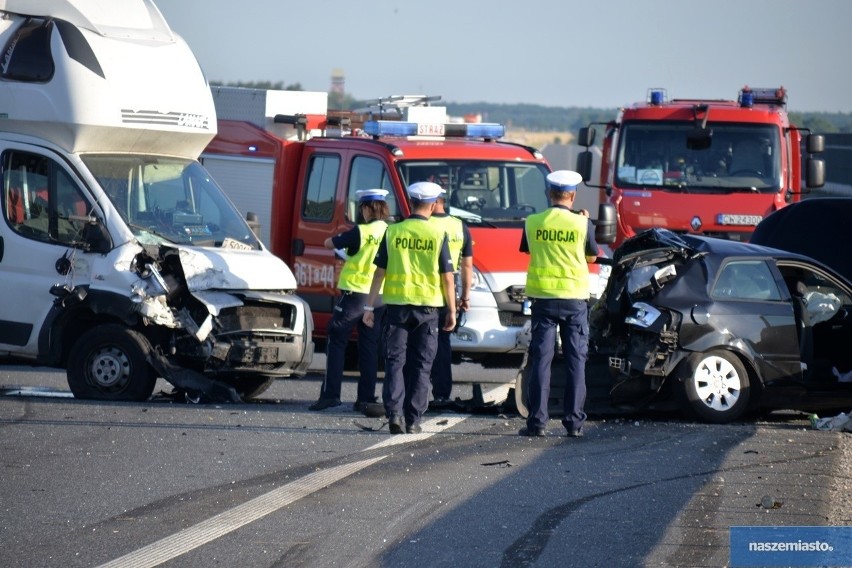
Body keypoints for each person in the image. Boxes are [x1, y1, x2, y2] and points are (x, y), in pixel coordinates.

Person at [362, 181, 456, 435]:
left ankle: (394, 414)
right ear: (434, 204)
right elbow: (448, 277)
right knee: (422, 365)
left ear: (411, 203)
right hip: (427, 310)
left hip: (397, 307)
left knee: (395, 361)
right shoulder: (438, 234)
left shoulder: (392, 232)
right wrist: (453, 310)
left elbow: (379, 272)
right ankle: (413, 420)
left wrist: (369, 306)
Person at [518, 170, 599, 438]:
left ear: (549, 194)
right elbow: (591, 255)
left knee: (541, 360)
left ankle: (537, 423)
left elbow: (529, 250)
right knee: (576, 360)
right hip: (574, 299)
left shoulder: (533, 222)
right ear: (573, 196)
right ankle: (574, 423)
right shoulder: (581, 224)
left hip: (543, 298)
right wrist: (585, 222)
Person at [309, 189, 390, 413]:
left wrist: (344, 250)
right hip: (380, 296)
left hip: (355, 293)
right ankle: (365, 398)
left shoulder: (360, 231)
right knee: (369, 347)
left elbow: (329, 243)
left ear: (365, 208)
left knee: (336, 341)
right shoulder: (390, 231)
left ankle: (331, 394)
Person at [428, 192, 473, 406]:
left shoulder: (422, 225)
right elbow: (466, 265)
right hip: (449, 289)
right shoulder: (459, 226)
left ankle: (412, 393)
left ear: (434, 202)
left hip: (425, 287)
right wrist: (465, 297)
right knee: (442, 342)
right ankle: (442, 392)